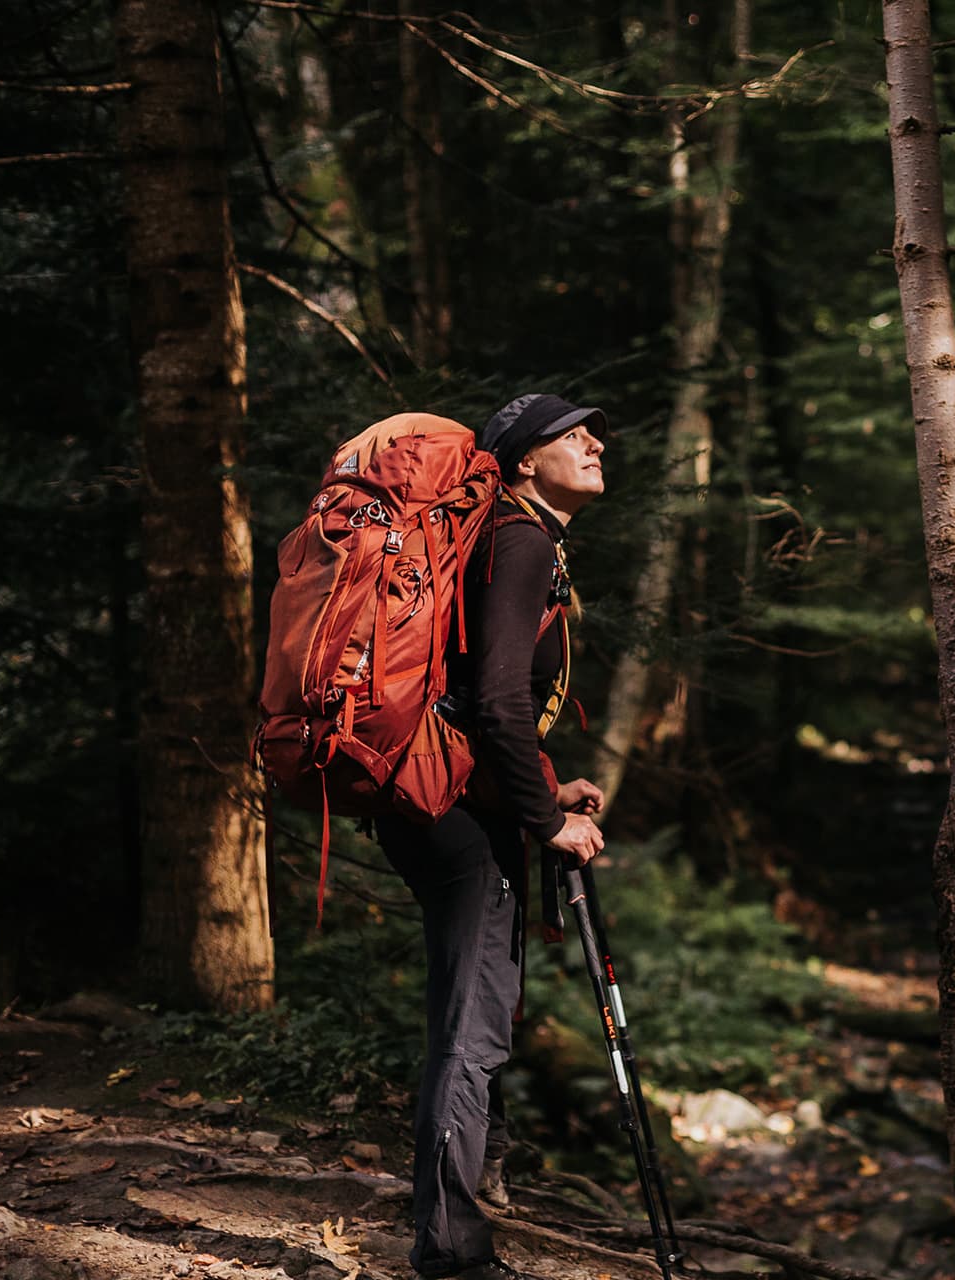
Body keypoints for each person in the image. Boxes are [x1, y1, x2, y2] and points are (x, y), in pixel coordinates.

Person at [376, 392, 611, 1280]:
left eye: (590, 432)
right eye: (567, 435)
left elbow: (480, 702)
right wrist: (546, 819)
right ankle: (451, 1253)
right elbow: (499, 702)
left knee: (465, 1020)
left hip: (446, 801)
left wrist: (545, 785)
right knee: (471, 1031)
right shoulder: (518, 541)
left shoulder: (515, 538)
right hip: (458, 818)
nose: (592, 441)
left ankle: (461, 1215)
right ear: (520, 464)